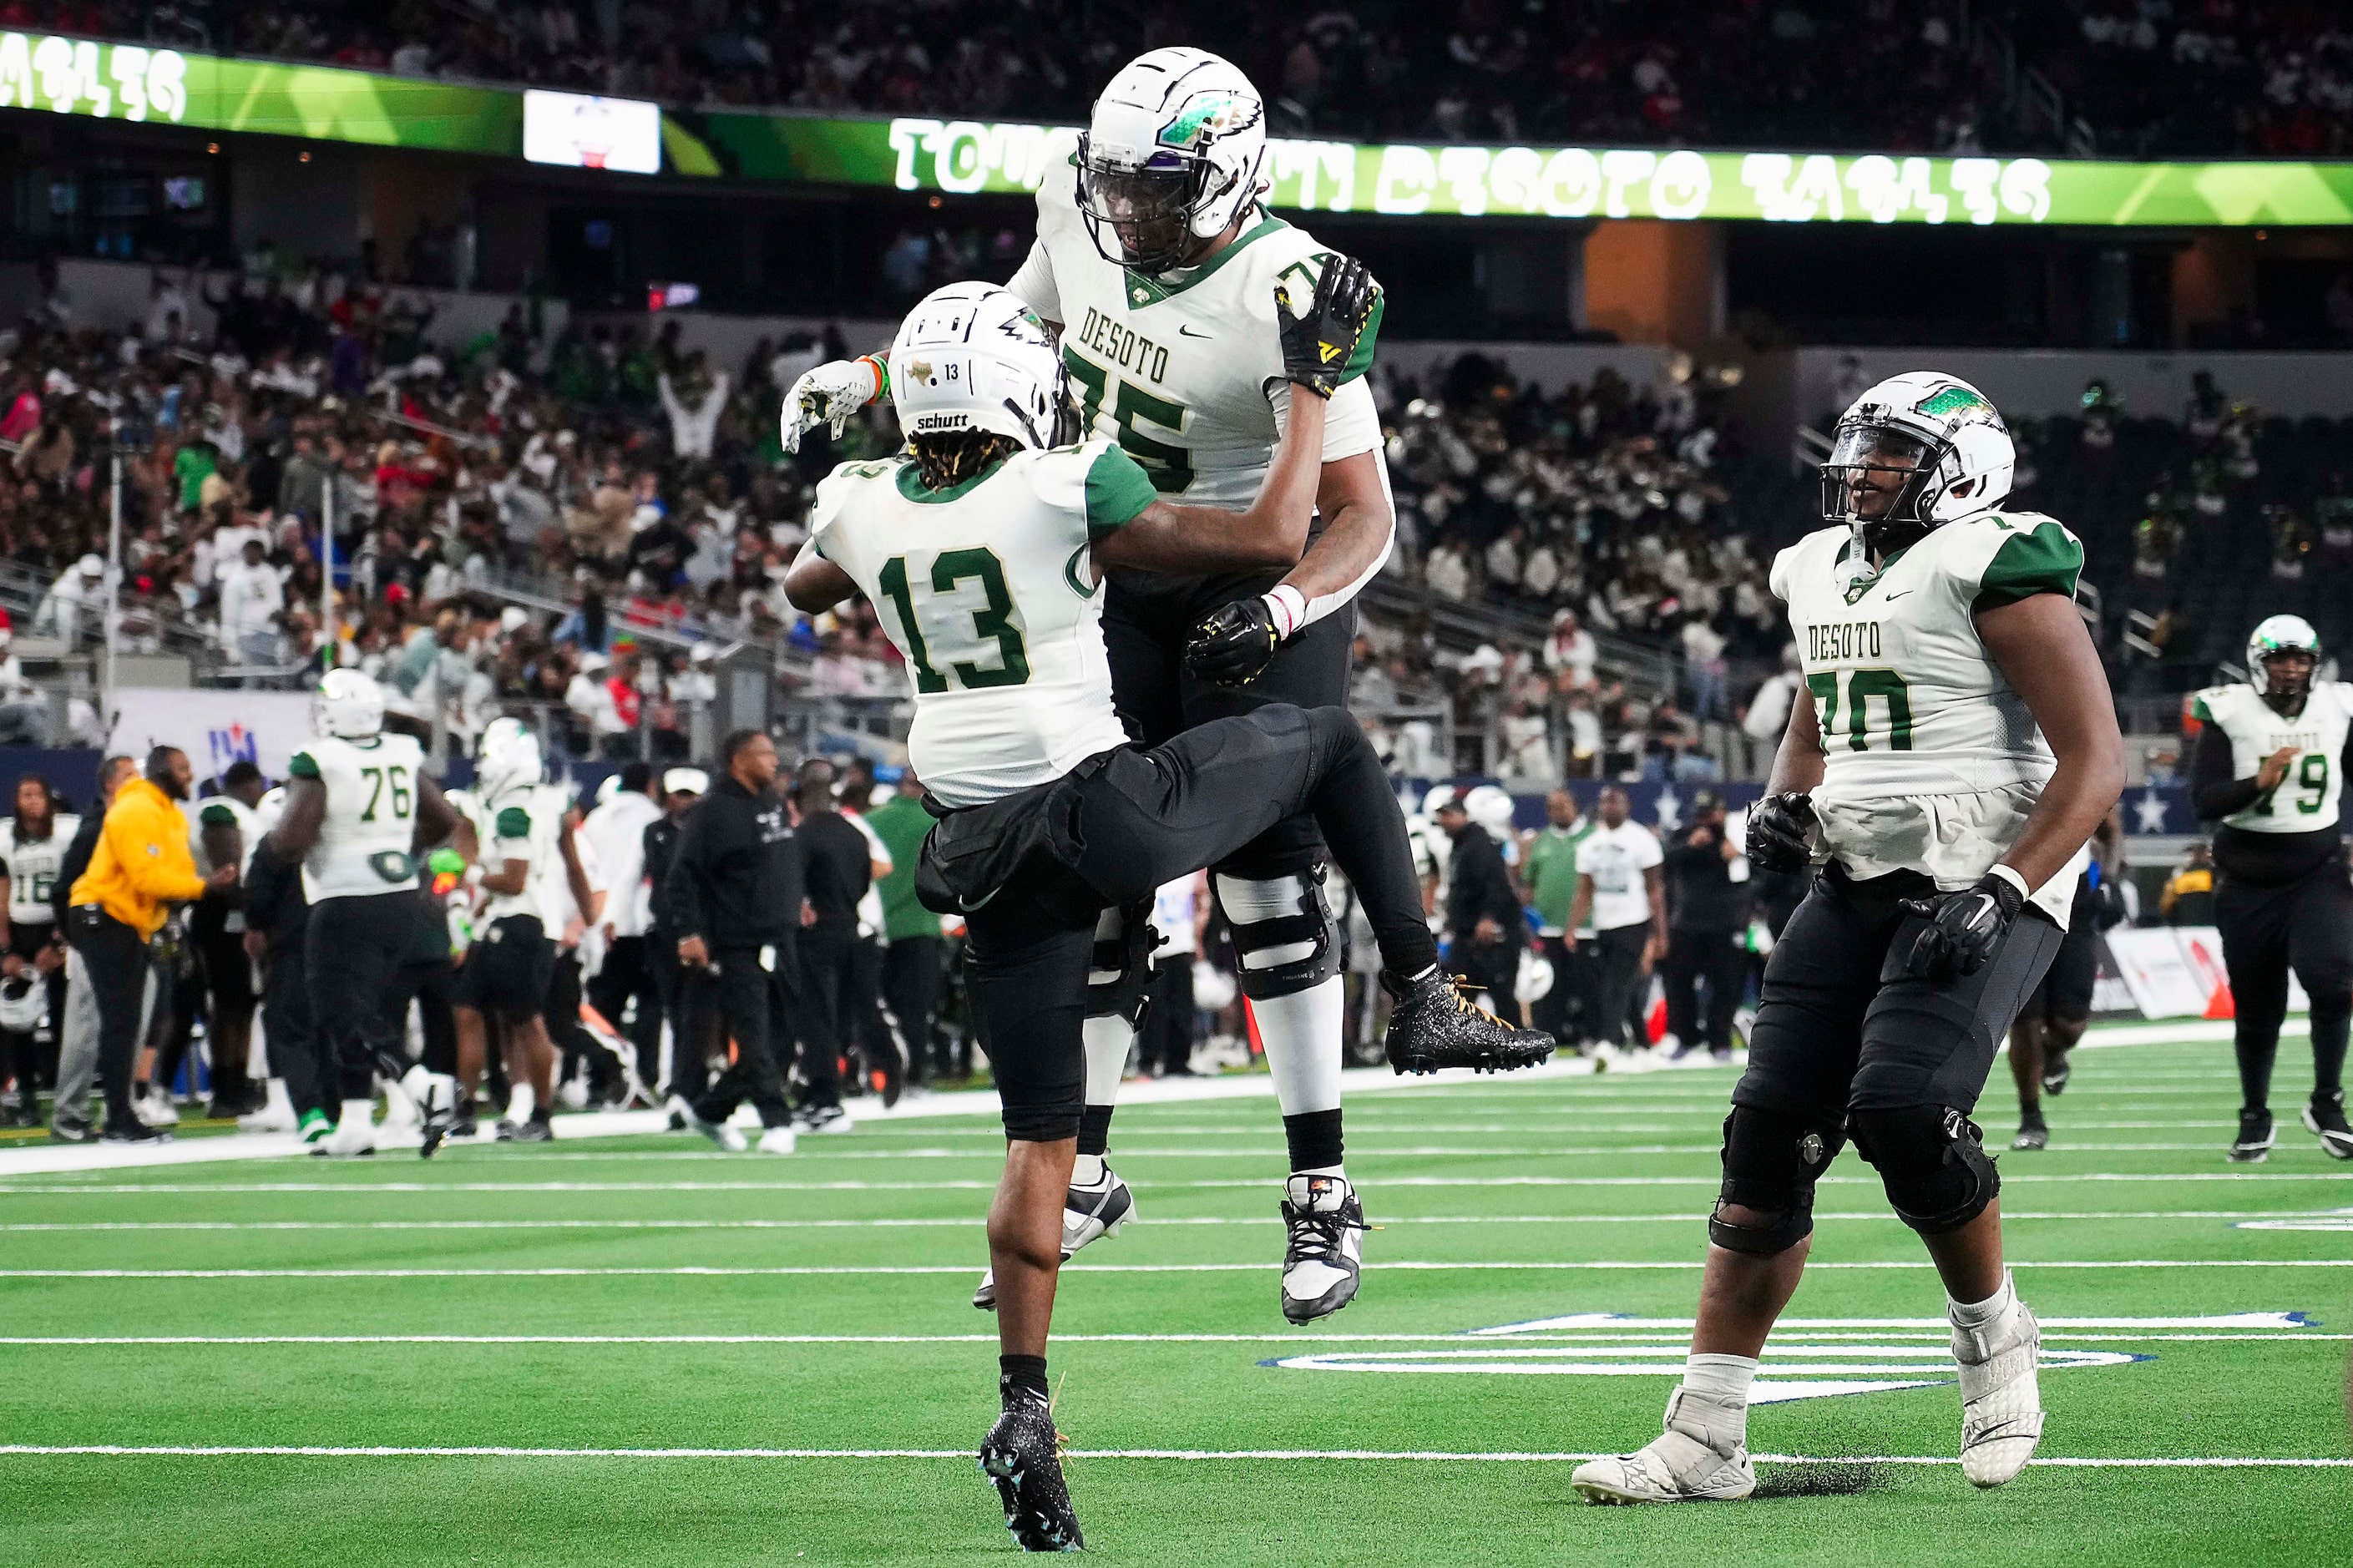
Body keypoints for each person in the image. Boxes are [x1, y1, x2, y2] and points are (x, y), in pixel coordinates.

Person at [784, 271, 1546, 1551]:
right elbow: (1264, 540)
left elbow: (808, 588)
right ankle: (1421, 992)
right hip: (1097, 807)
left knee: (1034, 1145)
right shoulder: (1060, 482)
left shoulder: (856, 506)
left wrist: (822, 446)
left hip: (975, 849)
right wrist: (1309, 391)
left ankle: (1024, 1404)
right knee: (1329, 740)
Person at [784, 50, 1417, 1326]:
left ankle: (1321, 1183)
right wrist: (875, 371)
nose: (1125, 210)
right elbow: (1013, 327)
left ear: (1234, 175)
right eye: (1115, 182)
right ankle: (1085, 1161)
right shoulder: (1076, 201)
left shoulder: (1292, 285)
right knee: (1096, 852)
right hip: (1117, 548)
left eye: (1158, 186)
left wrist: (1286, 602)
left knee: (1267, 880)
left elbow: (1363, 517)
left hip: (1257, 570)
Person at [1571, 372, 2123, 1504]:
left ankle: (1993, 1340)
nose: (1860, 469)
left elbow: (2096, 760)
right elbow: (1822, 703)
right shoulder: (1820, 564)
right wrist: (1782, 799)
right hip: (1854, 868)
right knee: (1765, 1139)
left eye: (1889, 453)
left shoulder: (1998, 560)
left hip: (1981, 870)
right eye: (1860, 448)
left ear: (1959, 467)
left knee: (1903, 1112)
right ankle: (1705, 1433)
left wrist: (2008, 888)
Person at [266, 670, 472, 1157]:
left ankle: (422, 1086)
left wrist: (273, 845)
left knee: (339, 1008)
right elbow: (445, 819)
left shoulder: (320, 759)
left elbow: (293, 840)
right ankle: (356, 1120)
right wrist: (397, 847)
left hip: (344, 897)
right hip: (400, 898)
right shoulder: (400, 752)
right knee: (367, 1008)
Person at [2188, 615, 2353, 1161]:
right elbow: (2204, 801)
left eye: (2300, 659)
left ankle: (2327, 1101)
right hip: (2248, 880)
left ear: (2314, 664)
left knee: (2332, 979)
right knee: (2259, 1007)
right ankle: (2255, 1114)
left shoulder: (2337, 707)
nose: (2290, 669)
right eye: (2280, 659)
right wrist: (2257, 784)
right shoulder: (2229, 711)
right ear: (2259, 664)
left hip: (2318, 873)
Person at [65, 747, 239, 1143]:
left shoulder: (170, 815)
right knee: (120, 1021)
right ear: (160, 772)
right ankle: (117, 1116)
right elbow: (148, 880)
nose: (190, 774)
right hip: (103, 915)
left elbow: (172, 878)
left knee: (130, 1022)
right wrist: (206, 887)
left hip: (131, 922)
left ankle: (121, 1112)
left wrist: (196, 891)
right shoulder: (135, 810)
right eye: (182, 768)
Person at [664, 730, 806, 1154]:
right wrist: (690, 932)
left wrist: (798, 900)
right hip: (738, 939)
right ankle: (776, 1119)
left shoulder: (771, 802)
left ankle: (710, 1110)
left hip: (780, 936)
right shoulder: (710, 813)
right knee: (753, 1031)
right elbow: (681, 877)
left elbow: (775, 863)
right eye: (765, 754)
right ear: (739, 760)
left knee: (784, 1035)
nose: (775, 762)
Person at [449, 720, 584, 1145]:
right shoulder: (545, 805)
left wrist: (466, 872)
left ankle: (540, 1113)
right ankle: (471, 1106)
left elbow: (514, 880)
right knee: (471, 1010)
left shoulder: (512, 813)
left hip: (521, 923)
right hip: (512, 920)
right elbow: (570, 865)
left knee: (525, 1020)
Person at [2008, 809, 2123, 1151]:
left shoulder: (2072, 760)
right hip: (2016, 898)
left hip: (2072, 900)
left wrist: (2109, 880)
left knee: (2070, 1025)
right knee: (2025, 1018)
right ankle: (2031, 1117)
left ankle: (2052, 1053)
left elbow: (2110, 831)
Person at [46, 755, 134, 1142]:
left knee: (127, 1026)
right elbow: (63, 885)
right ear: (110, 785)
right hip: (95, 935)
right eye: (130, 776)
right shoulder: (98, 824)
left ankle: (120, 1110)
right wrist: (75, 936)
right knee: (85, 1026)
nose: (139, 783)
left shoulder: (135, 822)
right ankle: (69, 1114)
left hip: (129, 936)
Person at [789, 756, 868, 1134]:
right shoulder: (853, 833)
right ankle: (825, 1092)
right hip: (849, 929)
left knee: (815, 1019)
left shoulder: (802, 836)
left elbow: (789, 886)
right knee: (838, 1018)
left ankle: (825, 1100)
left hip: (815, 936)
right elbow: (865, 883)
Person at [186, 761, 267, 1117]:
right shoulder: (220, 810)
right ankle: (223, 1087)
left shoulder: (247, 815)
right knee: (228, 1003)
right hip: (222, 914)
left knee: (245, 1005)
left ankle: (238, 1080)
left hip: (240, 913)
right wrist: (252, 912)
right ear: (251, 784)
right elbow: (228, 871)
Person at [582, 762, 665, 1093]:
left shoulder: (596, 819)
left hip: (599, 924)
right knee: (649, 1005)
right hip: (640, 922)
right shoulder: (654, 819)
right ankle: (643, 1078)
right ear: (650, 785)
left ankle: (600, 1079)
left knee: (603, 1006)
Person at [0, 776, 77, 1127]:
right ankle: (25, 1096)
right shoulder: (6, 839)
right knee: (16, 1020)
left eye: (36, 794)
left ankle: (67, 1096)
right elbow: (2, 894)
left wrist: (60, 941)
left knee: (67, 1018)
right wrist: (5, 951)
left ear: (49, 799)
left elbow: (74, 889)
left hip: (58, 929)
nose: (30, 801)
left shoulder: (64, 834)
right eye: (23, 794)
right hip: (21, 932)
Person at [868, 771, 951, 1086]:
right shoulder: (936, 821)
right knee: (915, 1011)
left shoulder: (871, 821)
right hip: (921, 926)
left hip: (877, 929)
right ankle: (915, 1077)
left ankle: (879, 1075)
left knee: (879, 1009)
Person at [1568, 787, 1665, 1052]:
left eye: (1615, 801)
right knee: (1624, 984)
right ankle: (1644, 1045)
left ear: (1627, 805)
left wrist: (1660, 933)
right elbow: (1584, 890)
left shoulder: (1642, 840)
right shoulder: (1590, 844)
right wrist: (1572, 927)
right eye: (1604, 801)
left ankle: (1609, 1041)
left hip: (1634, 919)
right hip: (1604, 922)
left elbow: (1654, 889)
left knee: (1616, 982)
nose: (1609, 806)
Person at [1659, 790, 1753, 1062]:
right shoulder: (1684, 836)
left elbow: (1761, 875)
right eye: (1702, 814)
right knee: (1679, 984)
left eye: (1711, 813)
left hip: (1726, 923)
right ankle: (1687, 1036)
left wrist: (1739, 855)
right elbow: (1664, 860)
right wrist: (1691, 845)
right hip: (1687, 923)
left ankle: (1719, 1040)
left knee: (1726, 986)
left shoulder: (1737, 837)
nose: (1707, 819)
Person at [1434, 794, 1525, 1026]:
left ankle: (1515, 1045)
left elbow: (1497, 885)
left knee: (1500, 993)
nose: (1442, 820)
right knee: (1462, 995)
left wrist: (1488, 918)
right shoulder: (1464, 845)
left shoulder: (1479, 846)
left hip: (1489, 936)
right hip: (1468, 934)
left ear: (1466, 816)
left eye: (1448, 815)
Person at [643, 767, 704, 1100]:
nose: (685, 802)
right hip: (667, 930)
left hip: (702, 930)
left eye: (691, 795)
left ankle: (692, 1077)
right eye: (680, 794)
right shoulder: (655, 832)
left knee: (697, 1008)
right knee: (674, 1007)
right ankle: (680, 1080)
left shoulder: (710, 834)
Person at [1521, 788, 1595, 1050]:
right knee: (1547, 988)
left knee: (1588, 985)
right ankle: (1546, 1038)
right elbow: (1528, 884)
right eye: (1552, 807)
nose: (1558, 812)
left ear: (1576, 806)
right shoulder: (1541, 841)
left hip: (1587, 928)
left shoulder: (1593, 837)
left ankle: (1590, 1037)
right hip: (1546, 926)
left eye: (1563, 805)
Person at [1141, 869, 1209, 1076]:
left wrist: (1197, 939)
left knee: (1183, 1007)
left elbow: (1201, 899)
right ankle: (1150, 1059)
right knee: (1154, 1008)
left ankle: (1178, 1061)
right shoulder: (1156, 874)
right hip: (1156, 949)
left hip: (1181, 945)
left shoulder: (1185, 873)